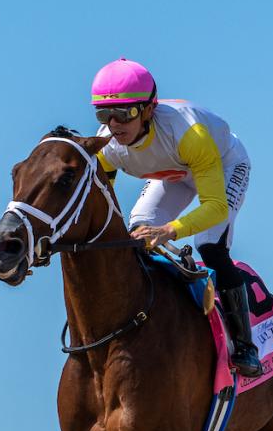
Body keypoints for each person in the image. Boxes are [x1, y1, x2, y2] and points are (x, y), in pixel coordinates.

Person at [90, 57, 262, 377]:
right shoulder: (108, 147)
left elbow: (214, 208)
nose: (114, 125)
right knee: (138, 233)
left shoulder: (189, 133)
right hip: (174, 173)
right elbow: (105, 207)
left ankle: (245, 345)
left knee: (209, 246)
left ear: (148, 110)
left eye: (124, 113)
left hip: (222, 166)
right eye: (104, 114)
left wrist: (170, 230)